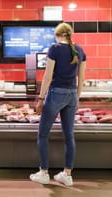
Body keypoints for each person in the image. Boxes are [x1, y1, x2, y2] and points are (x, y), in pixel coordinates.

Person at [29, 22, 86, 186]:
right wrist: (77, 97)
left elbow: (47, 77)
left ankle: (44, 172)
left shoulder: (54, 48)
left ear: (57, 35)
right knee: (69, 136)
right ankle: (67, 174)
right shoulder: (80, 50)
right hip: (72, 94)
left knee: (43, 134)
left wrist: (40, 98)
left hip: (56, 94)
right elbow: (81, 78)